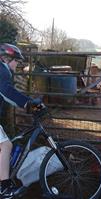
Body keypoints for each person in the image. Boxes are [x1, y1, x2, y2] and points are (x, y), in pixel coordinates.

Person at [0, 43, 41, 198]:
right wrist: (28, 103)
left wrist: (28, 103)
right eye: (16, 60)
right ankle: (5, 187)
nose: (17, 64)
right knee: (6, 145)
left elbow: (8, 94)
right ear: (7, 58)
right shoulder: (2, 70)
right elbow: (6, 92)